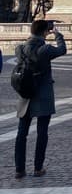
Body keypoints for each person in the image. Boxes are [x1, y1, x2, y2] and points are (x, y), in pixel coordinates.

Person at [14, 20, 67, 179]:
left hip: (25, 94)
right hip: (42, 94)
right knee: (42, 132)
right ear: (46, 32)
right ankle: (38, 168)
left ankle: (19, 169)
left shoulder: (20, 49)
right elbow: (62, 50)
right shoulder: (45, 49)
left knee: (21, 133)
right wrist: (58, 34)